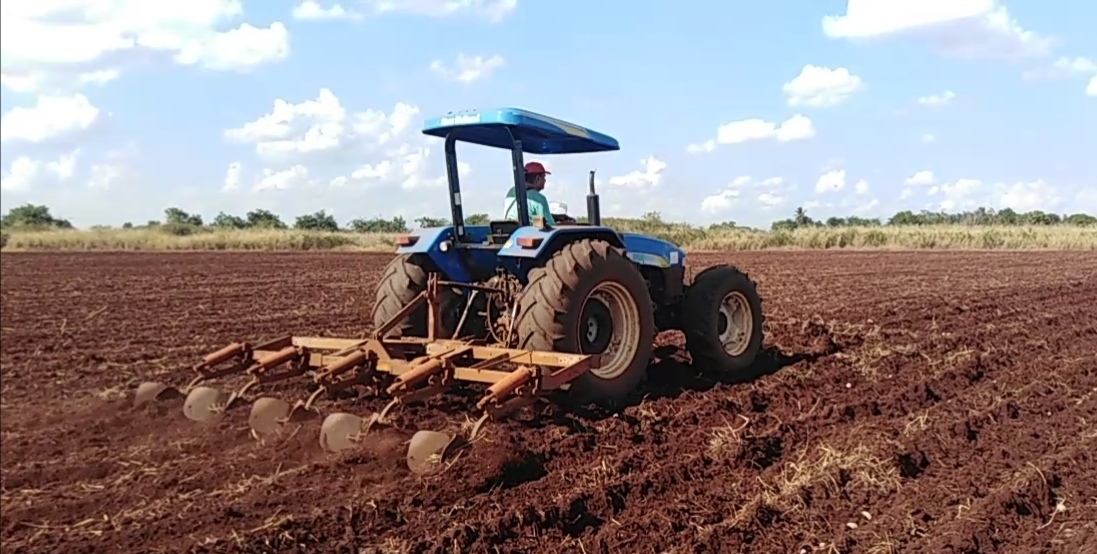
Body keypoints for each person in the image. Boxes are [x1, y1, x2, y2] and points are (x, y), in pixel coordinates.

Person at [503, 161, 557, 225]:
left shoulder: (511, 192)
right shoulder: (539, 199)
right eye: (544, 177)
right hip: (528, 234)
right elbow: (550, 226)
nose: (545, 180)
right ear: (537, 178)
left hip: (512, 233)